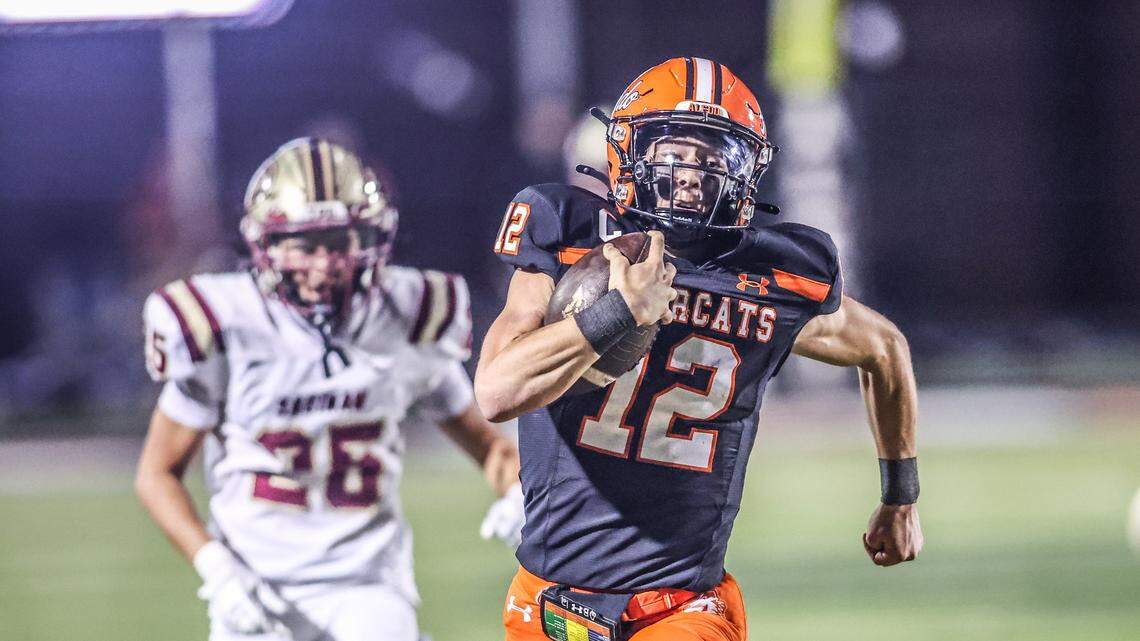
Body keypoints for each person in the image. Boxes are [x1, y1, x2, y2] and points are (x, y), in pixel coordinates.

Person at [475, 57, 923, 641]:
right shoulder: (569, 235)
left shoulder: (774, 278)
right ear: (628, 152)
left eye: (713, 158)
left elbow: (884, 348)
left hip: (682, 607)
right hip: (548, 602)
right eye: (673, 152)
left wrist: (900, 497)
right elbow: (496, 392)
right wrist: (619, 312)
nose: (691, 174)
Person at [135, 138, 523, 641]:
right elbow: (156, 473)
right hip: (255, 583)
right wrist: (217, 571)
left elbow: (491, 447)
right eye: (304, 244)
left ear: (370, 240)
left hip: (368, 585)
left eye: (340, 242)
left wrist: (516, 492)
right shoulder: (223, 325)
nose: (323, 264)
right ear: (265, 243)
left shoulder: (405, 316)